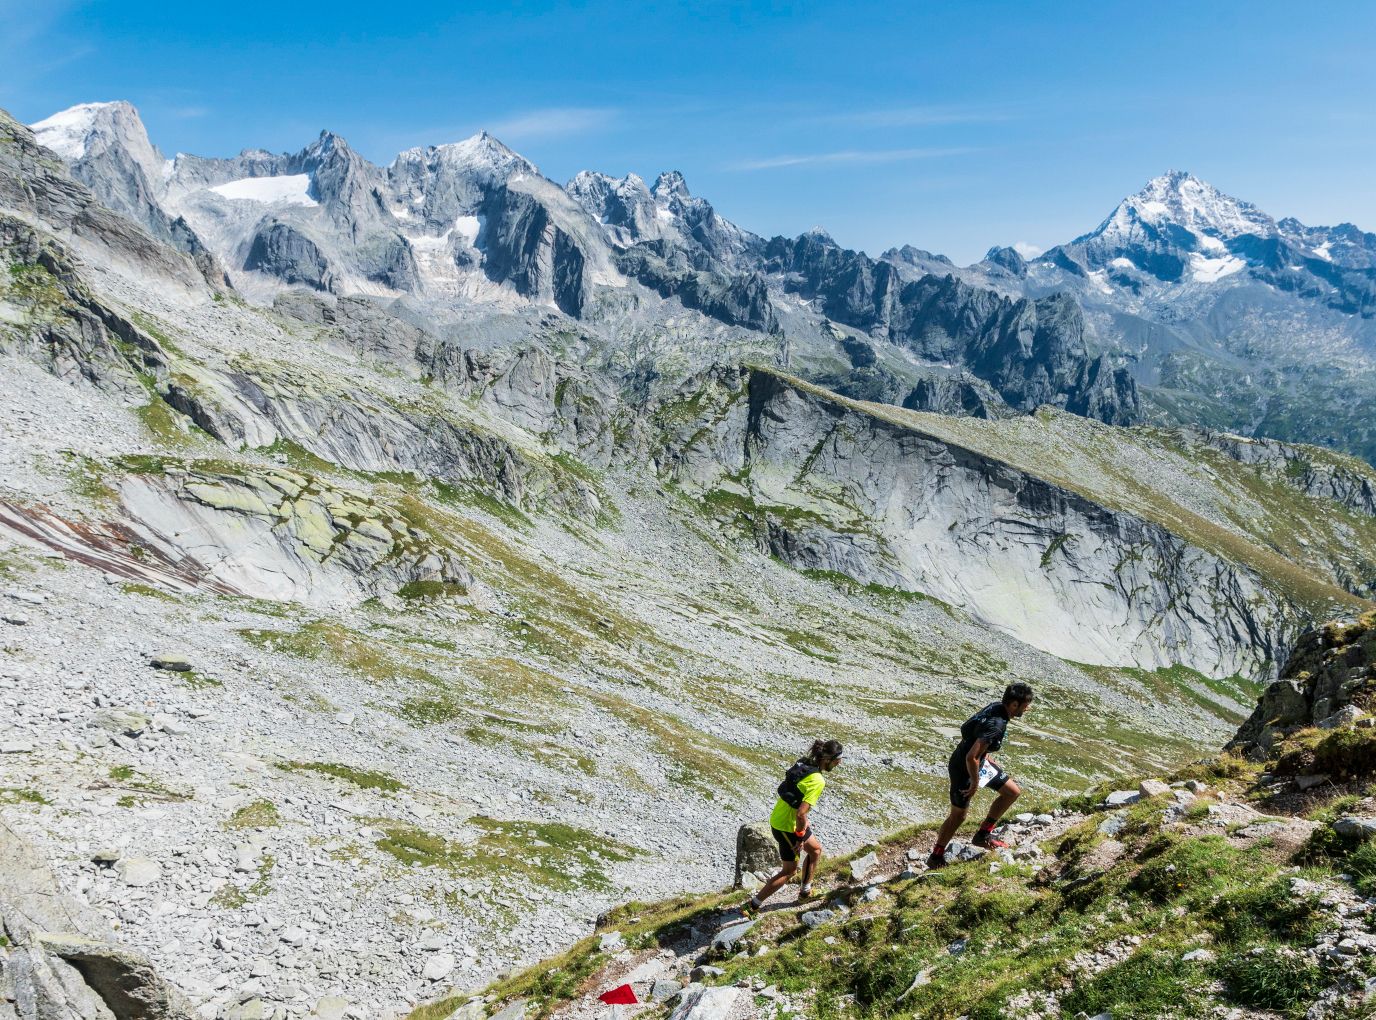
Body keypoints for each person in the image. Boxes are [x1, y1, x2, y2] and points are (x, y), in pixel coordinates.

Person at [926, 683, 1034, 868]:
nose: (1028, 708)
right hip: (964, 769)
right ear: (1014, 705)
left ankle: (982, 835)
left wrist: (985, 755)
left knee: (1012, 792)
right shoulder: (997, 724)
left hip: (979, 762)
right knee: (958, 816)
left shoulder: (996, 707)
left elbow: (971, 731)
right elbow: (971, 757)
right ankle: (935, 857)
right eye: (1025, 705)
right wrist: (975, 783)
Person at [743, 739, 844, 914]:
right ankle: (752, 906)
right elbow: (801, 813)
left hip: (782, 816)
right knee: (789, 871)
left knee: (815, 851)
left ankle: (805, 892)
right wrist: (799, 836)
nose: (839, 763)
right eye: (837, 760)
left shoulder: (805, 763)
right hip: (787, 826)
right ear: (827, 759)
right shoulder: (818, 780)